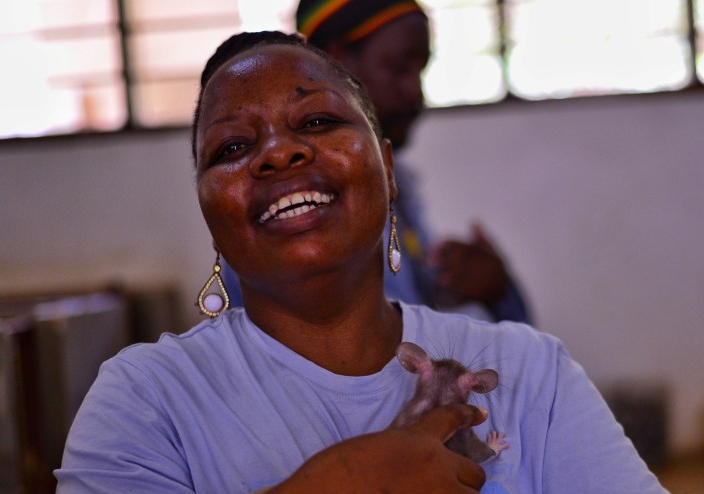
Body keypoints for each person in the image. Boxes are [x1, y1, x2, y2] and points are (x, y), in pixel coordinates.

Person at [22, 32, 704, 494]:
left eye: (318, 122)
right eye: (232, 147)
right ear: (209, 211)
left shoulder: (518, 366)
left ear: (386, 165)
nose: (278, 154)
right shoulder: (148, 397)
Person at [220, 0, 532, 324]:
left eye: (420, 71)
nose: (416, 93)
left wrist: (491, 289)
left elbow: (410, 320)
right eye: (399, 69)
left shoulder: (395, 184)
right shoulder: (299, 204)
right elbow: (380, 346)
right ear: (338, 63)